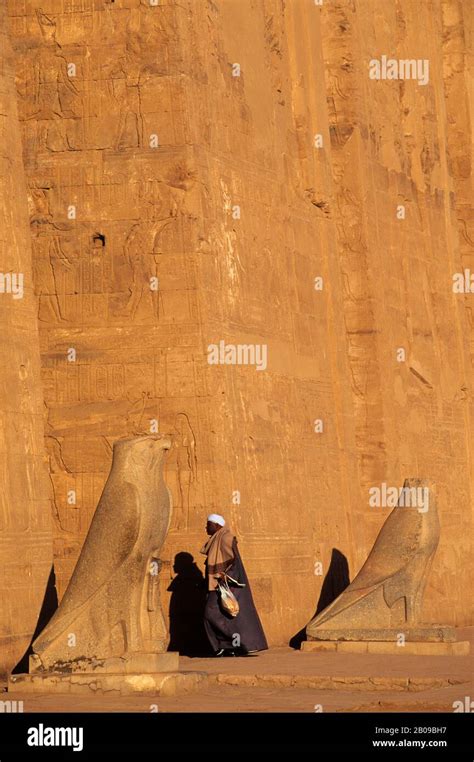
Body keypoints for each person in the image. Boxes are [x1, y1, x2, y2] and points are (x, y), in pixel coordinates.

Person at [200, 513, 268, 657]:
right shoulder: (215, 540)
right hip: (215, 585)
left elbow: (234, 561)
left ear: (217, 525)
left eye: (208, 524)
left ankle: (232, 645)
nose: (206, 527)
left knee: (210, 614)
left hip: (223, 585)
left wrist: (226, 576)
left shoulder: (226, 537)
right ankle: (228, 647)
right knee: (221, 617)